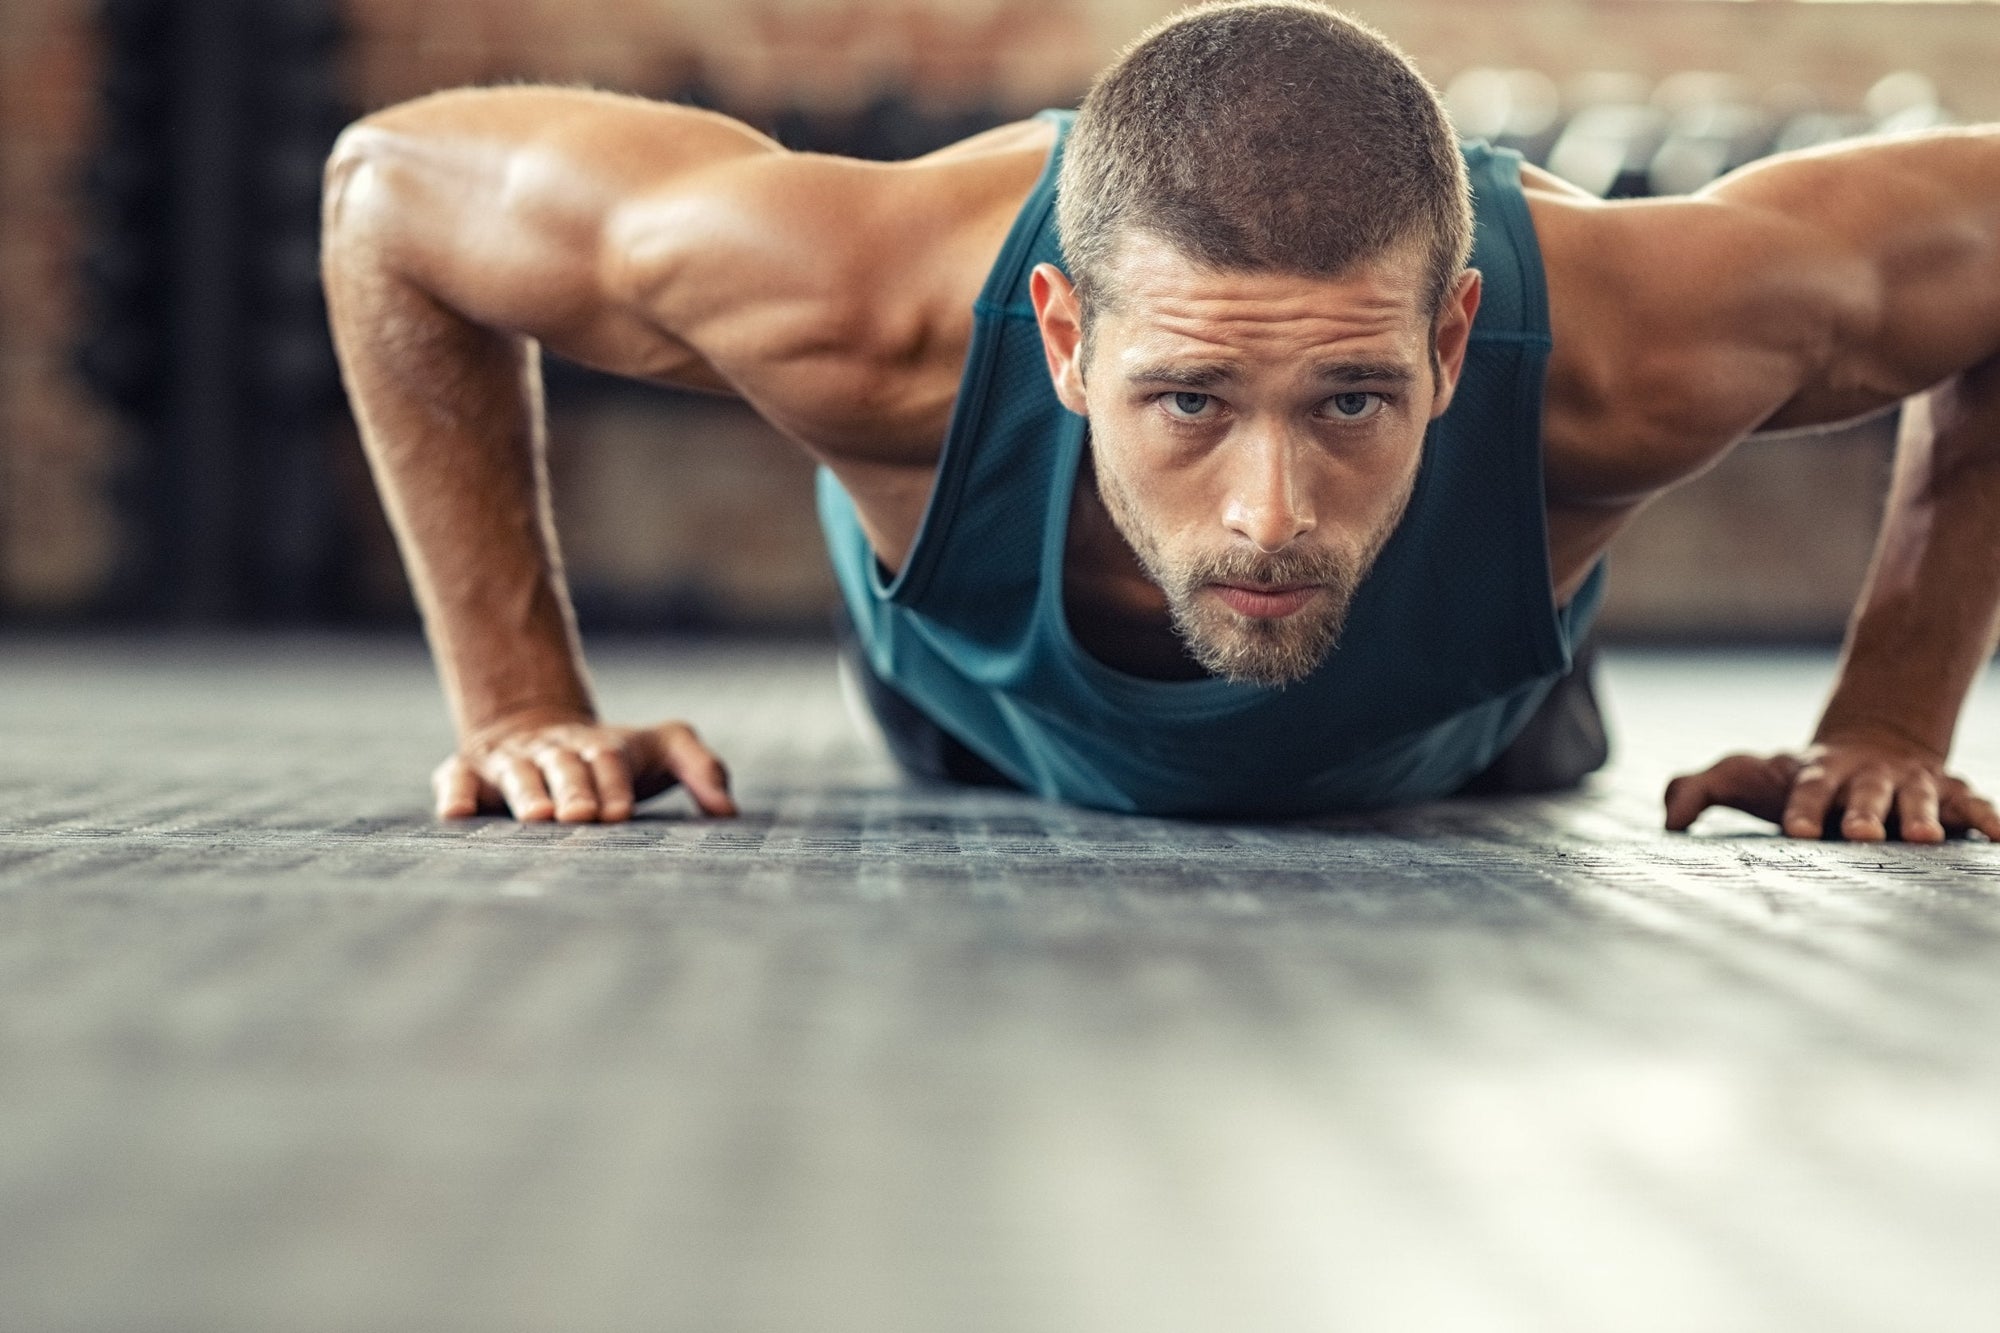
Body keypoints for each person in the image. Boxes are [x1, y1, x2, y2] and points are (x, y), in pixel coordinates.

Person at [321, 0, 2000, 842]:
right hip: (980, 723)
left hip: (1470, 738)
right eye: (1188, 397)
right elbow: (387, 193)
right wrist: (522, 700)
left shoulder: (1634, 346)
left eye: (1352, 395)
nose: (1271, 508)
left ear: (1454, 332)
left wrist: (1896, 719)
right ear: (1062, 335)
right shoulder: (863, 309)